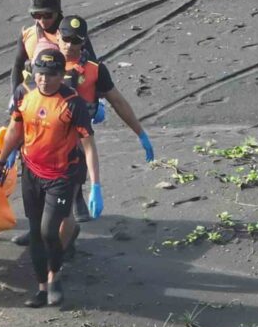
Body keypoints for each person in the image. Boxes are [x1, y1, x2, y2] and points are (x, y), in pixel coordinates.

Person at [10, 15, 155, 249]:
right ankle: (37, 233)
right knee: (36, 200)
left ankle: (64, 246)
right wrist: (11, 145)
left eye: (76, 40)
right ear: (58, 36)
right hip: (38, 143)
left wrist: (140, 133)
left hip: (72, 150)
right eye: (66, 39)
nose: (70, 45)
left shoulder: (95, 70)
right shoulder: (43, 65)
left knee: (64, 208)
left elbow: (117, 101)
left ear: (84, 41)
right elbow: (23, 101)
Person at [0, 49, 101, 307]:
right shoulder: (24, 92)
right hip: (31, 172)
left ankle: (56, 276)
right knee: (34, 232)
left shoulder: (72, 103)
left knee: (48, 232)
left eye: (51, 75)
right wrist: (1, 160)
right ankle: (42, 288)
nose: (44, 80)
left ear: (61, 75)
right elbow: (14, 129)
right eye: (40, 73)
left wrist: (96, 185)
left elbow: (88, 144)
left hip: (62, 176)